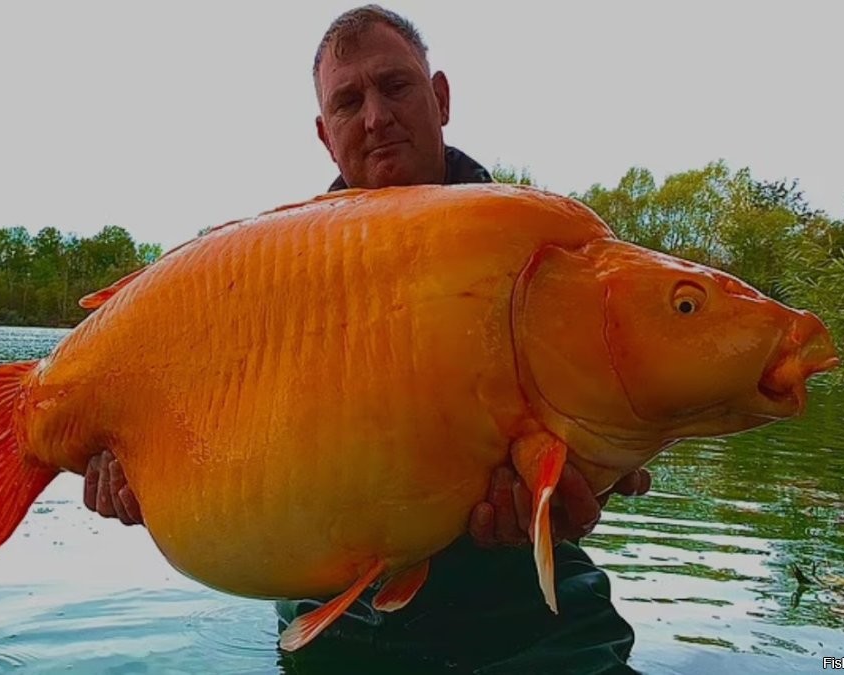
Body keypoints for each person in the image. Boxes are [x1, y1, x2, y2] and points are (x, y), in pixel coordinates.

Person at [84, 5, 651, 673]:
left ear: (440, 97)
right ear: (326, 135)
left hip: (529, 620)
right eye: (349, 101)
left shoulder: (540, 250)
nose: (376, 116)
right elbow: (215, 442)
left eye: (396, 86)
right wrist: (138, 472)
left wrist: (592, 485)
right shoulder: (272, 275)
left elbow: (628, 434)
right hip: (335, 619)